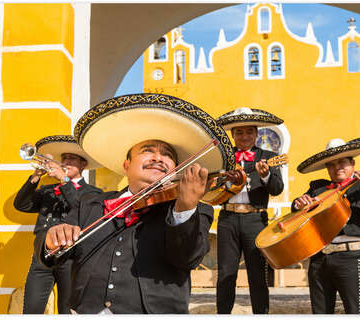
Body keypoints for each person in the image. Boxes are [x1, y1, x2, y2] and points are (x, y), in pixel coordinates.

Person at [33, 93, 236, 314]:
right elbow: (50, 256)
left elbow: (188, 258)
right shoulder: (90, 203)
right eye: (148, 151)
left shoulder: (197, 207)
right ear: (126, 164)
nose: (158, 158)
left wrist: (185, 209)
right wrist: (51, 242)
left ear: (176, 170)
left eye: (167, 155)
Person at [292, 137, 360, 314]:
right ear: (327, 168)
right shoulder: (318, 188)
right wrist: (298, 204)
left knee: (355, 312)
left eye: (342, 162)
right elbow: (296, 208)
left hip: (351, 258)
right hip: (319, 259)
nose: (337, 167)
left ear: (353, 163)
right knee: (320, 313)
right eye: (331, 164)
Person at [14, 135, 102, 314]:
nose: (66, 162)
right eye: (64, 159)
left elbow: (82, 208)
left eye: (72, 159)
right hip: (42, 257)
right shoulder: (48, 190)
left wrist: (65, 180)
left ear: (82, 165)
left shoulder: (93, 192)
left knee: (67, 310)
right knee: (31, 310)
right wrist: (36, 176)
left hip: (71, 257)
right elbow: (21, 204)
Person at [215, 107, 284, 314]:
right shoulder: (223, 158)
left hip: (256, 219)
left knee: (258, 275)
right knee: (226, 273)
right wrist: (224, 179)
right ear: (233, 135)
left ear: (256, 133)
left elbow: (277, 188)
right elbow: (212, 187)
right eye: (239, 132)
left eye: (249, 132)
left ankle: (260, 316)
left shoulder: (269, 157)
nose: (244, 136)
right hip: (227, 218)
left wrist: (265, 176)